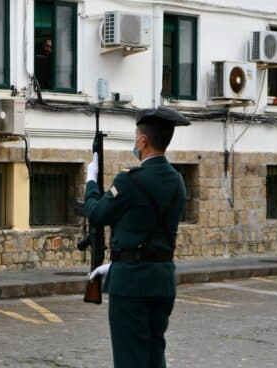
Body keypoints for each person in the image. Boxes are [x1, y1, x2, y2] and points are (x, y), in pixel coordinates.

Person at [84, 106, 190, 368]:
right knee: (155, 356)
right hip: (162, 280)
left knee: (130, 358)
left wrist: (90, 182)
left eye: (136, 136)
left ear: (143, 140)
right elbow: (148, 228)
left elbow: (97, 214)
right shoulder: (178, 181)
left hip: (131, 284)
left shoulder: (131, 181)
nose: (135, 141)